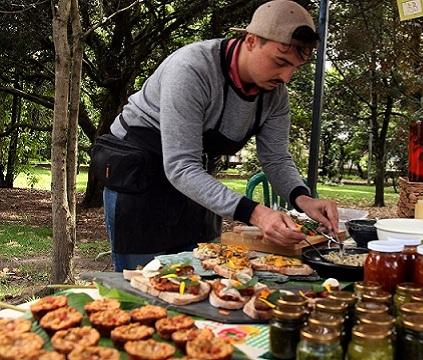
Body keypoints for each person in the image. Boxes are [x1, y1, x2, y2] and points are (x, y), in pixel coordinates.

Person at [99, 0, 338, 271]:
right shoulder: (191, 70)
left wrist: (303, 199)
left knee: (201, 275)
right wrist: (257, 214)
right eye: (280, 61)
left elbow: (276, 158)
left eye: (296, 67)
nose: (286, 77)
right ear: (250, 41)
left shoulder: (275, 96)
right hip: (139, 181)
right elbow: (179, 166)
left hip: (194, 182)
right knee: (145, 284)